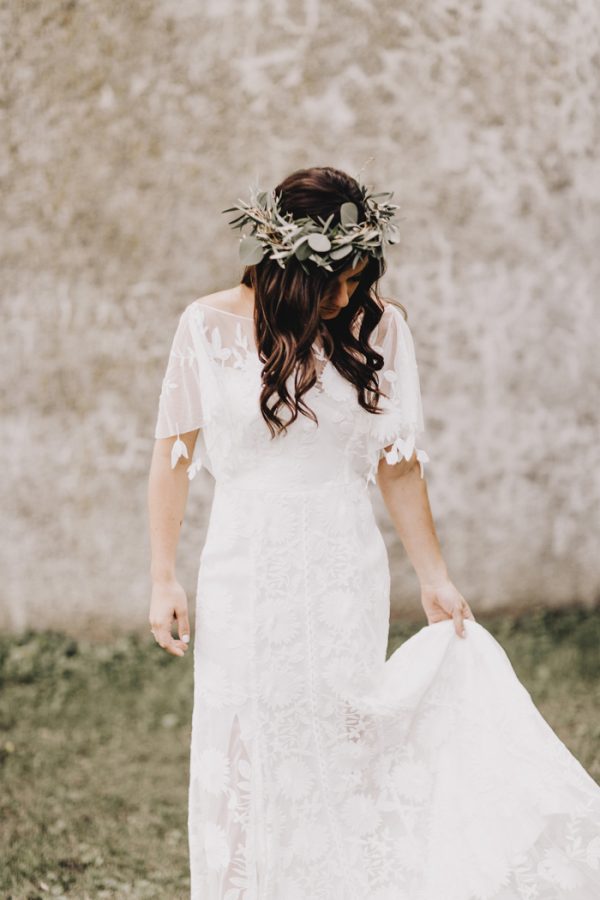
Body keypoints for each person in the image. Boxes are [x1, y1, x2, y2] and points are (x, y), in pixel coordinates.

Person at [147, 166, 600, 899]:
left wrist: (433, 576)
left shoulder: (380, 327)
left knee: (341, 730)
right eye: (333, 282)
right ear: (288, 263)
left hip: (339, 563)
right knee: (246, 733)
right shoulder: (207, 325)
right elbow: (173, 454)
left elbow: (399, 465)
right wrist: (163, 575)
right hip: (244, 562)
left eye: (358, 280)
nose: (346, 297)